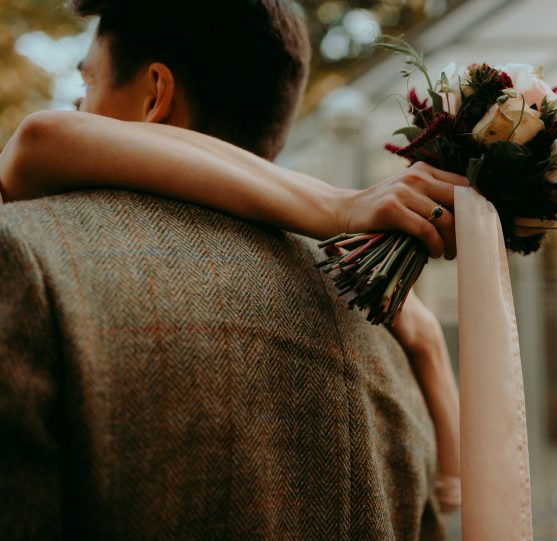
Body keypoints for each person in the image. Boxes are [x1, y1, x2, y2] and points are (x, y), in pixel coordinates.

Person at [0, 0, 461, 538]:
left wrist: (339, 208)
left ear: (155, 94)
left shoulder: (29, 258)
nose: (79, 107)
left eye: (89, 83)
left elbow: (40, 138)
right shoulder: (379, 324)